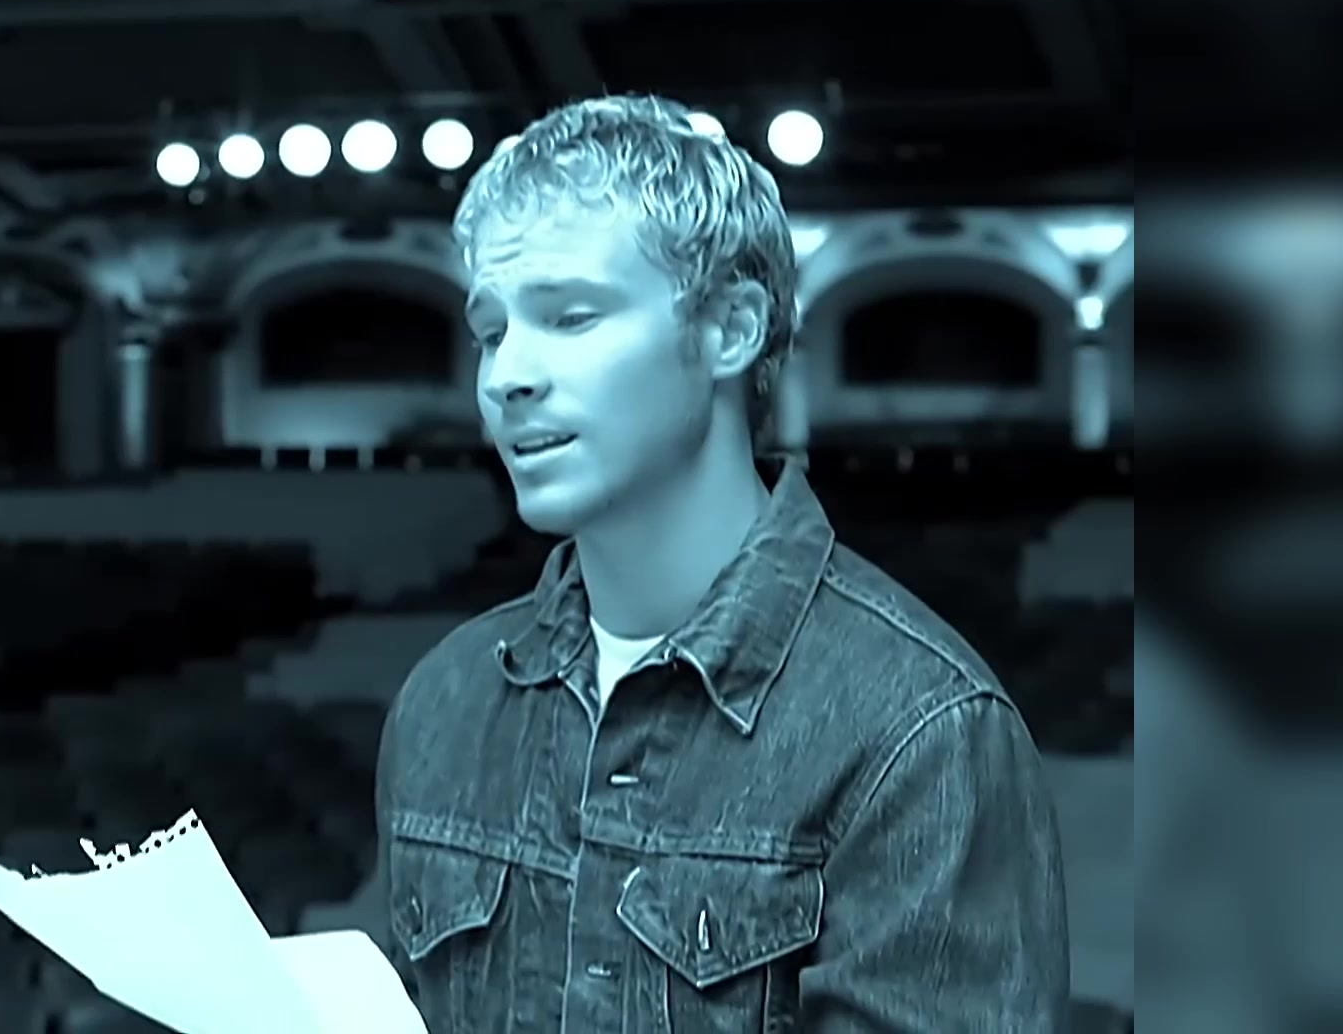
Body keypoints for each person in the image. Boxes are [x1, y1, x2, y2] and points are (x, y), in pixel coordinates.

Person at [374, 94, 1070, 1032]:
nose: (506, 377)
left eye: (570, 317)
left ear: (732, 331)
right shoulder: (444, 701)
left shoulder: (923, 731)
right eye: (492, 332)